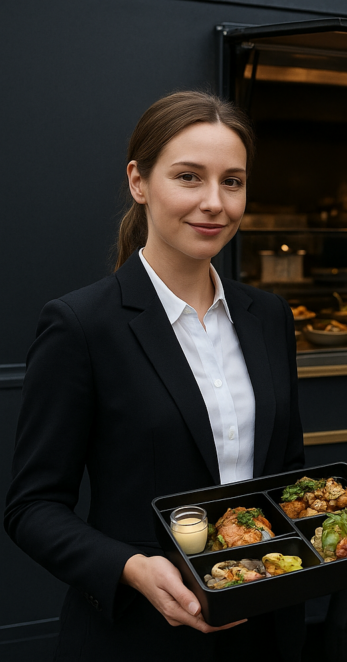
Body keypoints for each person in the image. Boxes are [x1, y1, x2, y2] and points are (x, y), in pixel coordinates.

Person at [4, 91, 306, 661]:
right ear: (139, 182)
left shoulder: (268, 318)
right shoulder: (81, 325)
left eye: (233, 181)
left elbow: (286, 472)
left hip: (266, 626)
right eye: (189, 177)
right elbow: (33, 507)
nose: (214, 202)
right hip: (140, 637)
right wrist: (130, 568)